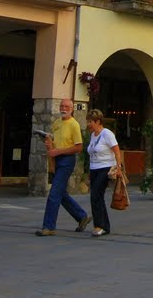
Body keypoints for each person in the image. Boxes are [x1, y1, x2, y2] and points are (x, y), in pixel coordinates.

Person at [36, 98, 91, 236]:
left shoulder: (74, 125)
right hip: (56, 159)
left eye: (67, 106)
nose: (64, 108)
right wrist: (49, 143)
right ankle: (81, 216)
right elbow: (56, 141)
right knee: (60, 193)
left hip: (67, 160)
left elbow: (78, 147)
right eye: (62, 106)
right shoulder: (56, 123)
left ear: (72, 109)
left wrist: (58, 151)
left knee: (54, 193)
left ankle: (48, 227)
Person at [86, 109, 123, 238]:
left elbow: (117, 151)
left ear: (98, 121)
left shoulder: (107, 134)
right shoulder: (93, 135)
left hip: (105, 168)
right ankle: (105, 226)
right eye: (88, 121)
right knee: (97, 196)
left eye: (90, 121)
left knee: (95, 195)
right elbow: (92, 154)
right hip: (94, 168)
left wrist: (118, 168)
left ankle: (99, 226)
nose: (88, 124)